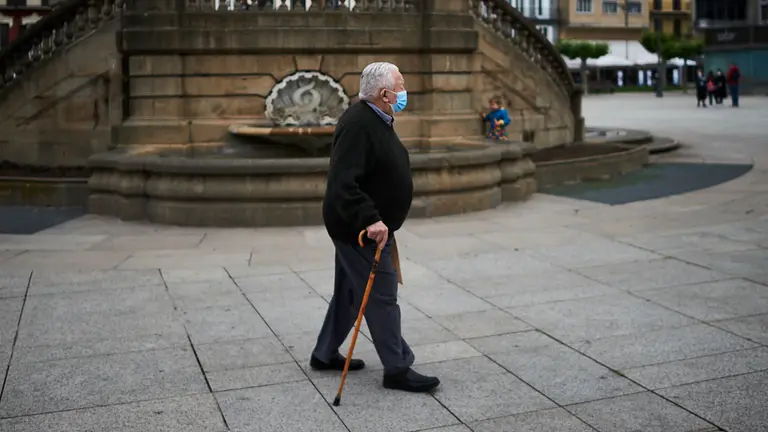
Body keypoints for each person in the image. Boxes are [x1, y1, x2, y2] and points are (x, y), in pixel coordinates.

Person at [310, 62, 441, 393]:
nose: (403, 90)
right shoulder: (359, 124)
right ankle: (397, 367)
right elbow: (343, 183)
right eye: (400, 84)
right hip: (360, 230)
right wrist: (371, 218)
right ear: (385, 94)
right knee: (382, 295)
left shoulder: (376, 119)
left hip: (361, 226)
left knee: (350, 294)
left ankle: (324, 354)